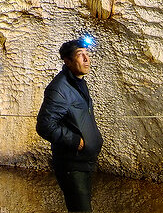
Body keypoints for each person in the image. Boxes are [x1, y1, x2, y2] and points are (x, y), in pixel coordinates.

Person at [36, 38, 103, 212]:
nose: (86, 59)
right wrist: (75, 140)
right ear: (67, 61)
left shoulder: (79, 83)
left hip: (85, 162)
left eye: (87, 54)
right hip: (72, 165)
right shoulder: (59, 88)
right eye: (81, 55)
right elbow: (45, 125)